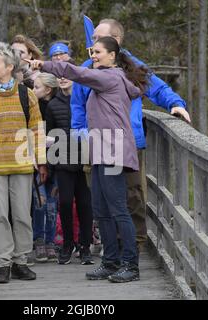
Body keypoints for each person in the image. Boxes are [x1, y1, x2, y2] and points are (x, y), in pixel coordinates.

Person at [26, 35, 149, 283]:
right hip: (101, 151)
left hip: (113, 152)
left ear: (112, 56)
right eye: (92, 53)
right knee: (101, 210)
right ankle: (110, 262)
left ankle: (130, 265)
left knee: (118, 210)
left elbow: (75, 73)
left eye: (98, 52)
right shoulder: (105, 79)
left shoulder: (110, 77)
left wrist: (43, 65)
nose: (93, 56)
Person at [71, 18, 191, 253]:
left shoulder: (132, 68)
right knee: (102, 198)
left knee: (131, 194)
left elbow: (156, 88)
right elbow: (77, 106)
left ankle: (134, 246)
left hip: (128, 141)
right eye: (93, 38)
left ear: (114, 42)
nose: (92, 43)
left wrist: (175, 104)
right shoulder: (86, 69)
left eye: (97, 39)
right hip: (97, 143)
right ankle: (112, 248)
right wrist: (80, 133)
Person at [0, 42, 47, 284]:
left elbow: (37, 129)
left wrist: (42, 161)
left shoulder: (27, 95)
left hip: (23, 166)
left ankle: (20, 262)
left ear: (9, 67)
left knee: (23, 215)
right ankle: (2, 264)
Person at [45, 68, 94, 265]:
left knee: (85, 204)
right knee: (65, 202)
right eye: (59, 76)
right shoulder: (53, 105)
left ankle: (85, 246)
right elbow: (48, 135)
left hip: (85, 161)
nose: (63, 79)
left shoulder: (86, 100)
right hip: (63, 160)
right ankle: (67, 244)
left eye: (67, 75)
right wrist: (50, 163)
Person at [31, 73, 59, 263]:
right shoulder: (32, 108)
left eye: (36, 88)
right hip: (37, 161)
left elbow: (63, 132)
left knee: (52, 203)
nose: (33, 91)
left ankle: (51, 241)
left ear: (48, 89)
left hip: (56, 161)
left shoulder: (58, 106)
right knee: (39, 202)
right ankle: (38, 239)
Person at [0, 34, 43, 100]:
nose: (17, 55)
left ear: (30, 55)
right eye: (13, 51)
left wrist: (26, 78)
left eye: (21, 52)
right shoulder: (1, 72)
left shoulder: (37, 75)